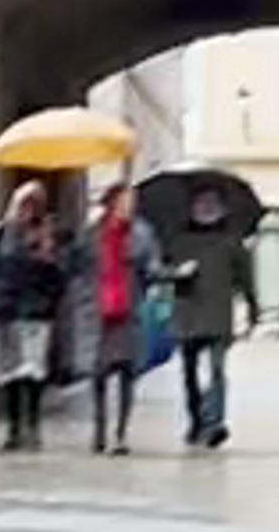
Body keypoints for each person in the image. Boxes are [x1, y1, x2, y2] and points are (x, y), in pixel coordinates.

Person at [163, 175, 261, 452]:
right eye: (201, 203)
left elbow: (246, 279)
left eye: (212, 203)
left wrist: (254, 309)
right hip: (187, 313)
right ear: (192, 207)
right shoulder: (178, 240)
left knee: (217, 371)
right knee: (189, 374)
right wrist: (177, 273)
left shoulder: (232, 241)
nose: (206, 208)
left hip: (218, 315)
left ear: (222, 208)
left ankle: (214, 423)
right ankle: (196, 421)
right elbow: (162, 272)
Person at [0, 178, 66, 452]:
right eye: (24, 204)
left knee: (34, 372)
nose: (28, 211)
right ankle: (14, 429)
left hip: (36, 313)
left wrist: (48, 260)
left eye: (34, 205)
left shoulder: (47, 235)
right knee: (10, 372)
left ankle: (33, 426)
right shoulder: (0, 233)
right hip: (5, 310)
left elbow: (60, 278)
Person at [85, 182, 161, 455]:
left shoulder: (140, 233)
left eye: (132, 202)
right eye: (124, 201)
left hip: (129, 309)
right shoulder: (94, 232)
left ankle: (120, 434)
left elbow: (153, 265)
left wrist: (153, 268)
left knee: (128, 374)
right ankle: (99, 431)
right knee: (99, 375)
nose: (129, 207)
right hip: (100, 311)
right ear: (111, 202)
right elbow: (79, 266)